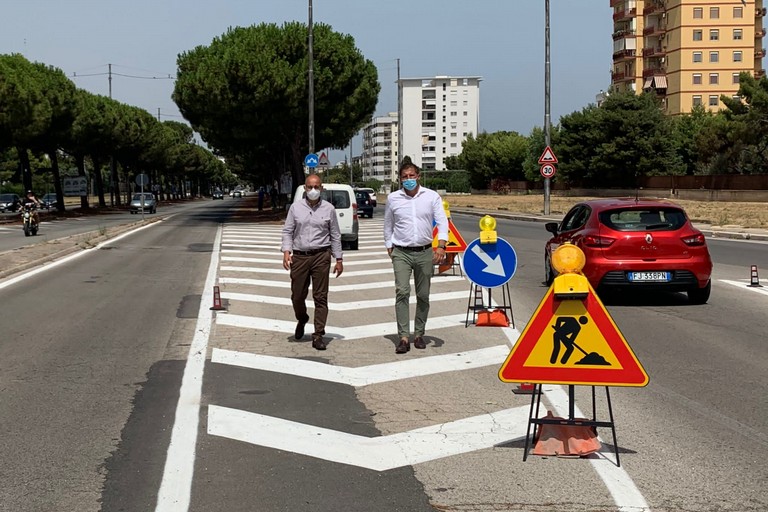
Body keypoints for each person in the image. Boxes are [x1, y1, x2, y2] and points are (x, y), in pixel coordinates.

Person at [384, 162, 448, 354]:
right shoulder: (393, 198)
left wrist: (442, 246)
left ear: (418, 176)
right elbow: (388, 224)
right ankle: (403, 337)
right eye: (405, 176)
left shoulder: (431, 196)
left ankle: (419, 333)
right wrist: (389, 246)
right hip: (401, 252)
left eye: (412, 176)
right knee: (402, 291)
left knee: (423, 294)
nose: (409, 180)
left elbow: (442, 221)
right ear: (400, 178)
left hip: (425, 251)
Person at [281, 174, 344, 350]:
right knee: (297, 295)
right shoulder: (295, 208)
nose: (313, 190)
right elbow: (287, 231)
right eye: (310, 187)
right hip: (300, 256)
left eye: (316, 187)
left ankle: (318, 335)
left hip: (321, 256)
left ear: (321, 188)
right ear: (305, 188)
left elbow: (335, 235)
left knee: (321, 297)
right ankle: (302, 318)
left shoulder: (329, 209)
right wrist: (287, 251)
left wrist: (338, 259)